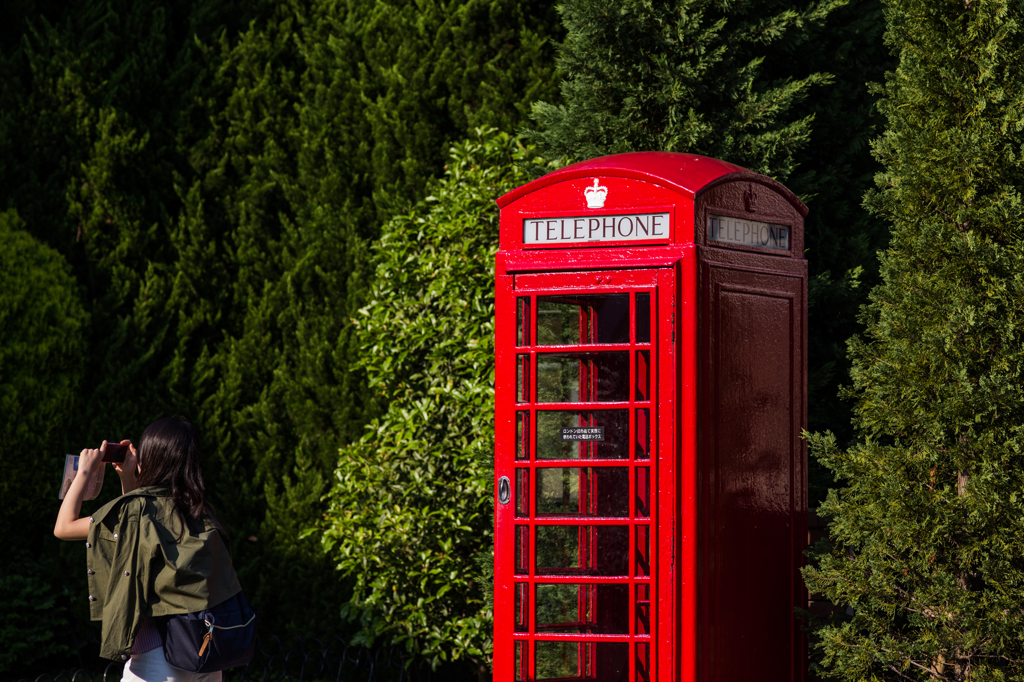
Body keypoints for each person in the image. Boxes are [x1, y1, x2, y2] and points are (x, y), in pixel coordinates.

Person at [54, 416, 242, 682]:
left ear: (151, 458)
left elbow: (64, 527)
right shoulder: (199, 510)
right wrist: (128, 477)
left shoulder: (138, 510)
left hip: (159, 660)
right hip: (206, 654)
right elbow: (137, 535)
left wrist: (84, 471)